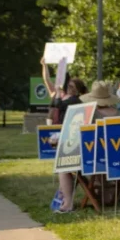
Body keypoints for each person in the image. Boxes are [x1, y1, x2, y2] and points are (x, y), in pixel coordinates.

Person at [41, 60, 87, 211]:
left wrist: (59, 89)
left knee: (63, 168)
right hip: (55, 134)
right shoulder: (57, 94)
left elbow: (59, 106)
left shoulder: (73, 100)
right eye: (70, 85)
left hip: (67, 137)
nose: (70, 87)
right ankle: (64, 196)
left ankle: (66, 200)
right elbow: (47, 81)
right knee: (61, 168)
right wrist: (45, 66)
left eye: (73, 86)